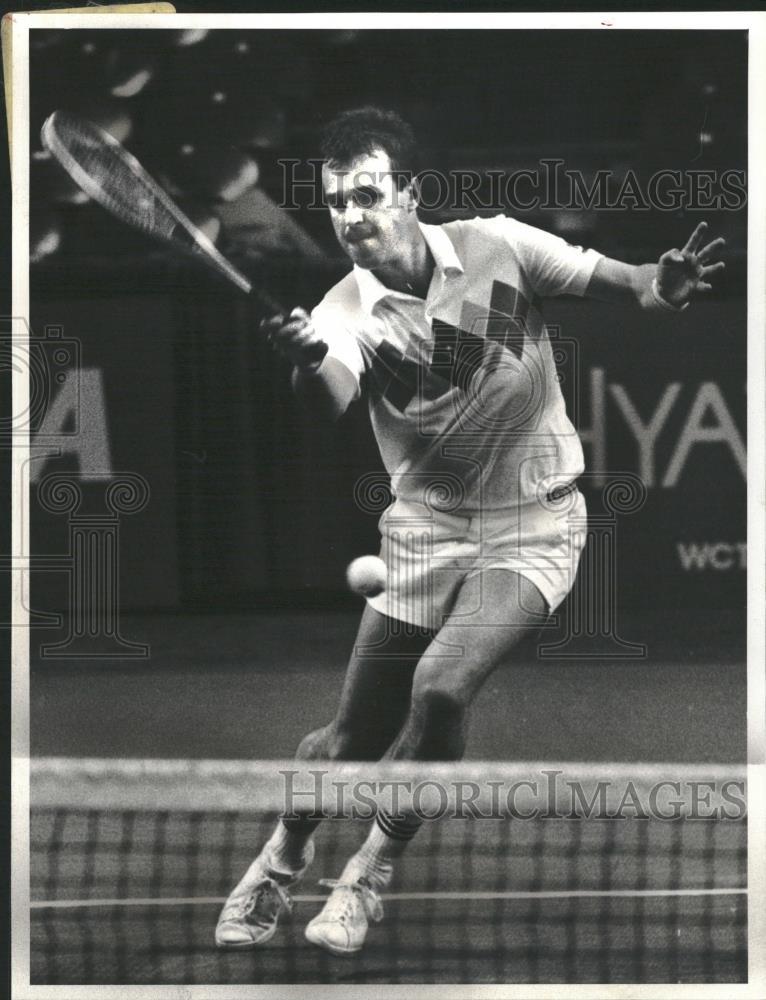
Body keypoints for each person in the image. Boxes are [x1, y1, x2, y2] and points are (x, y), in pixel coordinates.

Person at [215, 106, 726, 955]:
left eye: (368, 195)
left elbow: (630, 281)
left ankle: (369, 871)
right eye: (337, 202)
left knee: (443, 690)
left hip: (535, 522)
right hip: (424, 531)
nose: (351, 216)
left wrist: (661, 284)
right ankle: (283, 853)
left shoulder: (498, 245)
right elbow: (331, 398)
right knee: (349, 742)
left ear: (410, 194)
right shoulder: (343, 309)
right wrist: (309, 360)